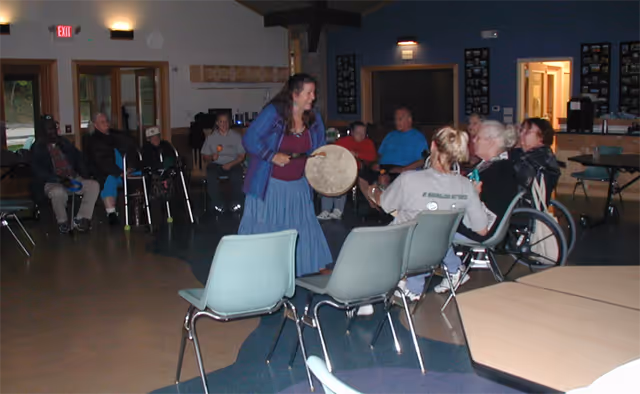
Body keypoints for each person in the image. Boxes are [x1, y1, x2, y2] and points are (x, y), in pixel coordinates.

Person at [363, 127, 489, 314]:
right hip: (435, 254)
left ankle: (366, 297)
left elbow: (385, 204)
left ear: (432, 146)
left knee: (363, 241)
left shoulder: (409, 180)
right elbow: (481, 230)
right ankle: (412, 285)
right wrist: (475, 196)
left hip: (399, 253)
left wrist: (374, 190)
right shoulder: (466, 186)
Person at [240, 73, 332, 277]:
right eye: (308, 93)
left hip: (298, 185)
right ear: (294, 94)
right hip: (269, 185)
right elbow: (250, 139)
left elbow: (319, 149)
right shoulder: (274, 113)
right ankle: (264, 269)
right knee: (268, 227)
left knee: (304, 225)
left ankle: (311, 263)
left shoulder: (314, 119)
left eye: (313, 93)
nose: (312, 97)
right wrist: (271, 156)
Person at [432, 120, 519, 293]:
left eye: (477, 137)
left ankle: (453, 269)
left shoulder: (498, 171)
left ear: (492, 141)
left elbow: (478, 204)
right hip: (483, 222)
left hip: (481, 228)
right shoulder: (498, 165)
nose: (473, 141)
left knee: (429, 222)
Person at [32, 115, 100, 233]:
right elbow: (38, 172)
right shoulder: (37, 148)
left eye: (54, 128)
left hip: (73, 179)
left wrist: (86, 174)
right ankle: (62, 222)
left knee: (93, 185)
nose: (53, 131)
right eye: (49, 129)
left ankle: (81, 219)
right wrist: (59, 179)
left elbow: (79, 159)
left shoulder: (64, 142)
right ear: (43, 131)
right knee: (58, 192)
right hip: (52, 182)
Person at [359, 107, 428, 200]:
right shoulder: (391, 135)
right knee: (362, 177)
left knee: (383, 179)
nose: (397, 122)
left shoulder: (418, 137)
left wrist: (404, 169)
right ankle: (376, 207)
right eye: (396, 119)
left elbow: (422, 160)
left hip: (403, 169)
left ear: (409, 120)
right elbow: (379, 154)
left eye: (400, 119)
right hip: (384, 167)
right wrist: (375, 163)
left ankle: (386, 210)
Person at [86, 113, 139, 225]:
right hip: (108, 172)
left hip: (125, 170)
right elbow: (101, 162)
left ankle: (140, 207)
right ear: (95, 125)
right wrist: (119, 172)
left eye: (107, 121)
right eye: (102, 122)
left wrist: (130, 167)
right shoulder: (93, 141)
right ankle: (111, 213)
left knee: (142, 174)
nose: (106, 124)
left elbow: (131, 149)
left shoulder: (117, 135)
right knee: (109, 181)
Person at [317, 121, 376, 220]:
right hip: (338, 168)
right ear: (352, 132)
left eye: (363, 133)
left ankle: (338, 210)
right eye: (358, 133)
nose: (361, 135)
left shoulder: (368, 143)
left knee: (342, 179)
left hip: (356, 170)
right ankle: (326, 210)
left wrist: (357, 155)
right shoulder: (343, 142)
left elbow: (372, 157)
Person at [201, 113, 245, 213]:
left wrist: (230, 164)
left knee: (237, 174)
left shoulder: (236, 136)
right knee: (211, 173)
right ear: (217, 123)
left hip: (233, 163)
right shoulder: (211, 138)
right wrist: (211, 157)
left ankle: (236, 203)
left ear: (229, 123)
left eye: (225, 121)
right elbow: (205, 156)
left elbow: (241, 156)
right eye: (221, 122)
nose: (223, 124)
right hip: (216, 164)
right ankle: (217, 204)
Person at [511, 117, 560, 203]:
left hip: (524, 210)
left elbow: (517, 175)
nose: (521, 134)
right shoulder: (525, 153)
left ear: (541, 137)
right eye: (521, 130)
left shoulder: (541, 158)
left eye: (527, 132)